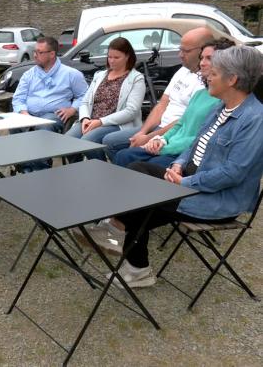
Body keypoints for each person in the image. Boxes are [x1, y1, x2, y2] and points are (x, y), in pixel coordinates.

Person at [108, 45, 263, 288]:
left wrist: (185, 182)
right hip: (191, 180)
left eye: (215, 71)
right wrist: (179, 164)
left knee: (140, 198)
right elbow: (194, 145)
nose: (208, 75)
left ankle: (124, 246)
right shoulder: (219, 107)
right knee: (137, 170)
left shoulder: (255, 120)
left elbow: (233, 173)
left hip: (217, 198)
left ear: (232, 79)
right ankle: (124, 244)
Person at [114, 38, 235, 168]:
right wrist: (160, 140)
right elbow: (181, 123)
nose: (202, 63)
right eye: (202, 58)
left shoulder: (222, 99)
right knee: (123, 156)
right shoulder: (200, 93)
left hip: (185, 153)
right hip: (169, 144)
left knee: (145, 166)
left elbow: (200, 138)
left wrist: (163, 147)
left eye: (209, 58)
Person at [102, 27, 215, 162]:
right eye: (180, 49)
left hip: (173, 133)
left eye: (186, 51)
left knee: (114, 145)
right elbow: (162, 104)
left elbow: (184, 122)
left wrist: (150, 138)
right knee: (111, 143)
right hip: (160, 128)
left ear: (201, 50)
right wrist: (143, 132)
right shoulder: (182, 71)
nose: (180, 54)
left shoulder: (206, 83)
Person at [11, 36, 87, 170]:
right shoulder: (29, 75)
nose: (35, 55)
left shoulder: (71, 74)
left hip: (53, 116)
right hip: (29, 114)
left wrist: (73, 109)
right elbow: (18, 99)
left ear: (52, 54)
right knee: (14, 125)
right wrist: (24, 113)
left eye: (39, 52)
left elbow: (85, 96)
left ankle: (41, 169)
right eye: (34, 51)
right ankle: (24, 167)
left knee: (43, 126)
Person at [65, 37, 145, 161]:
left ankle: (102, 169)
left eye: (116, 57)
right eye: (109, 57)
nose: (112, 61)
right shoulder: (100, 75)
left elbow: (131, 111)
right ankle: (79, 170)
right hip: (91, 120)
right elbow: (85, 101)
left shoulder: (136, 78)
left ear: (127, 56)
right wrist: (85, 118)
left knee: (88, 141)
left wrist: (101, 122)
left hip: (116, 123)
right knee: (67, 140)